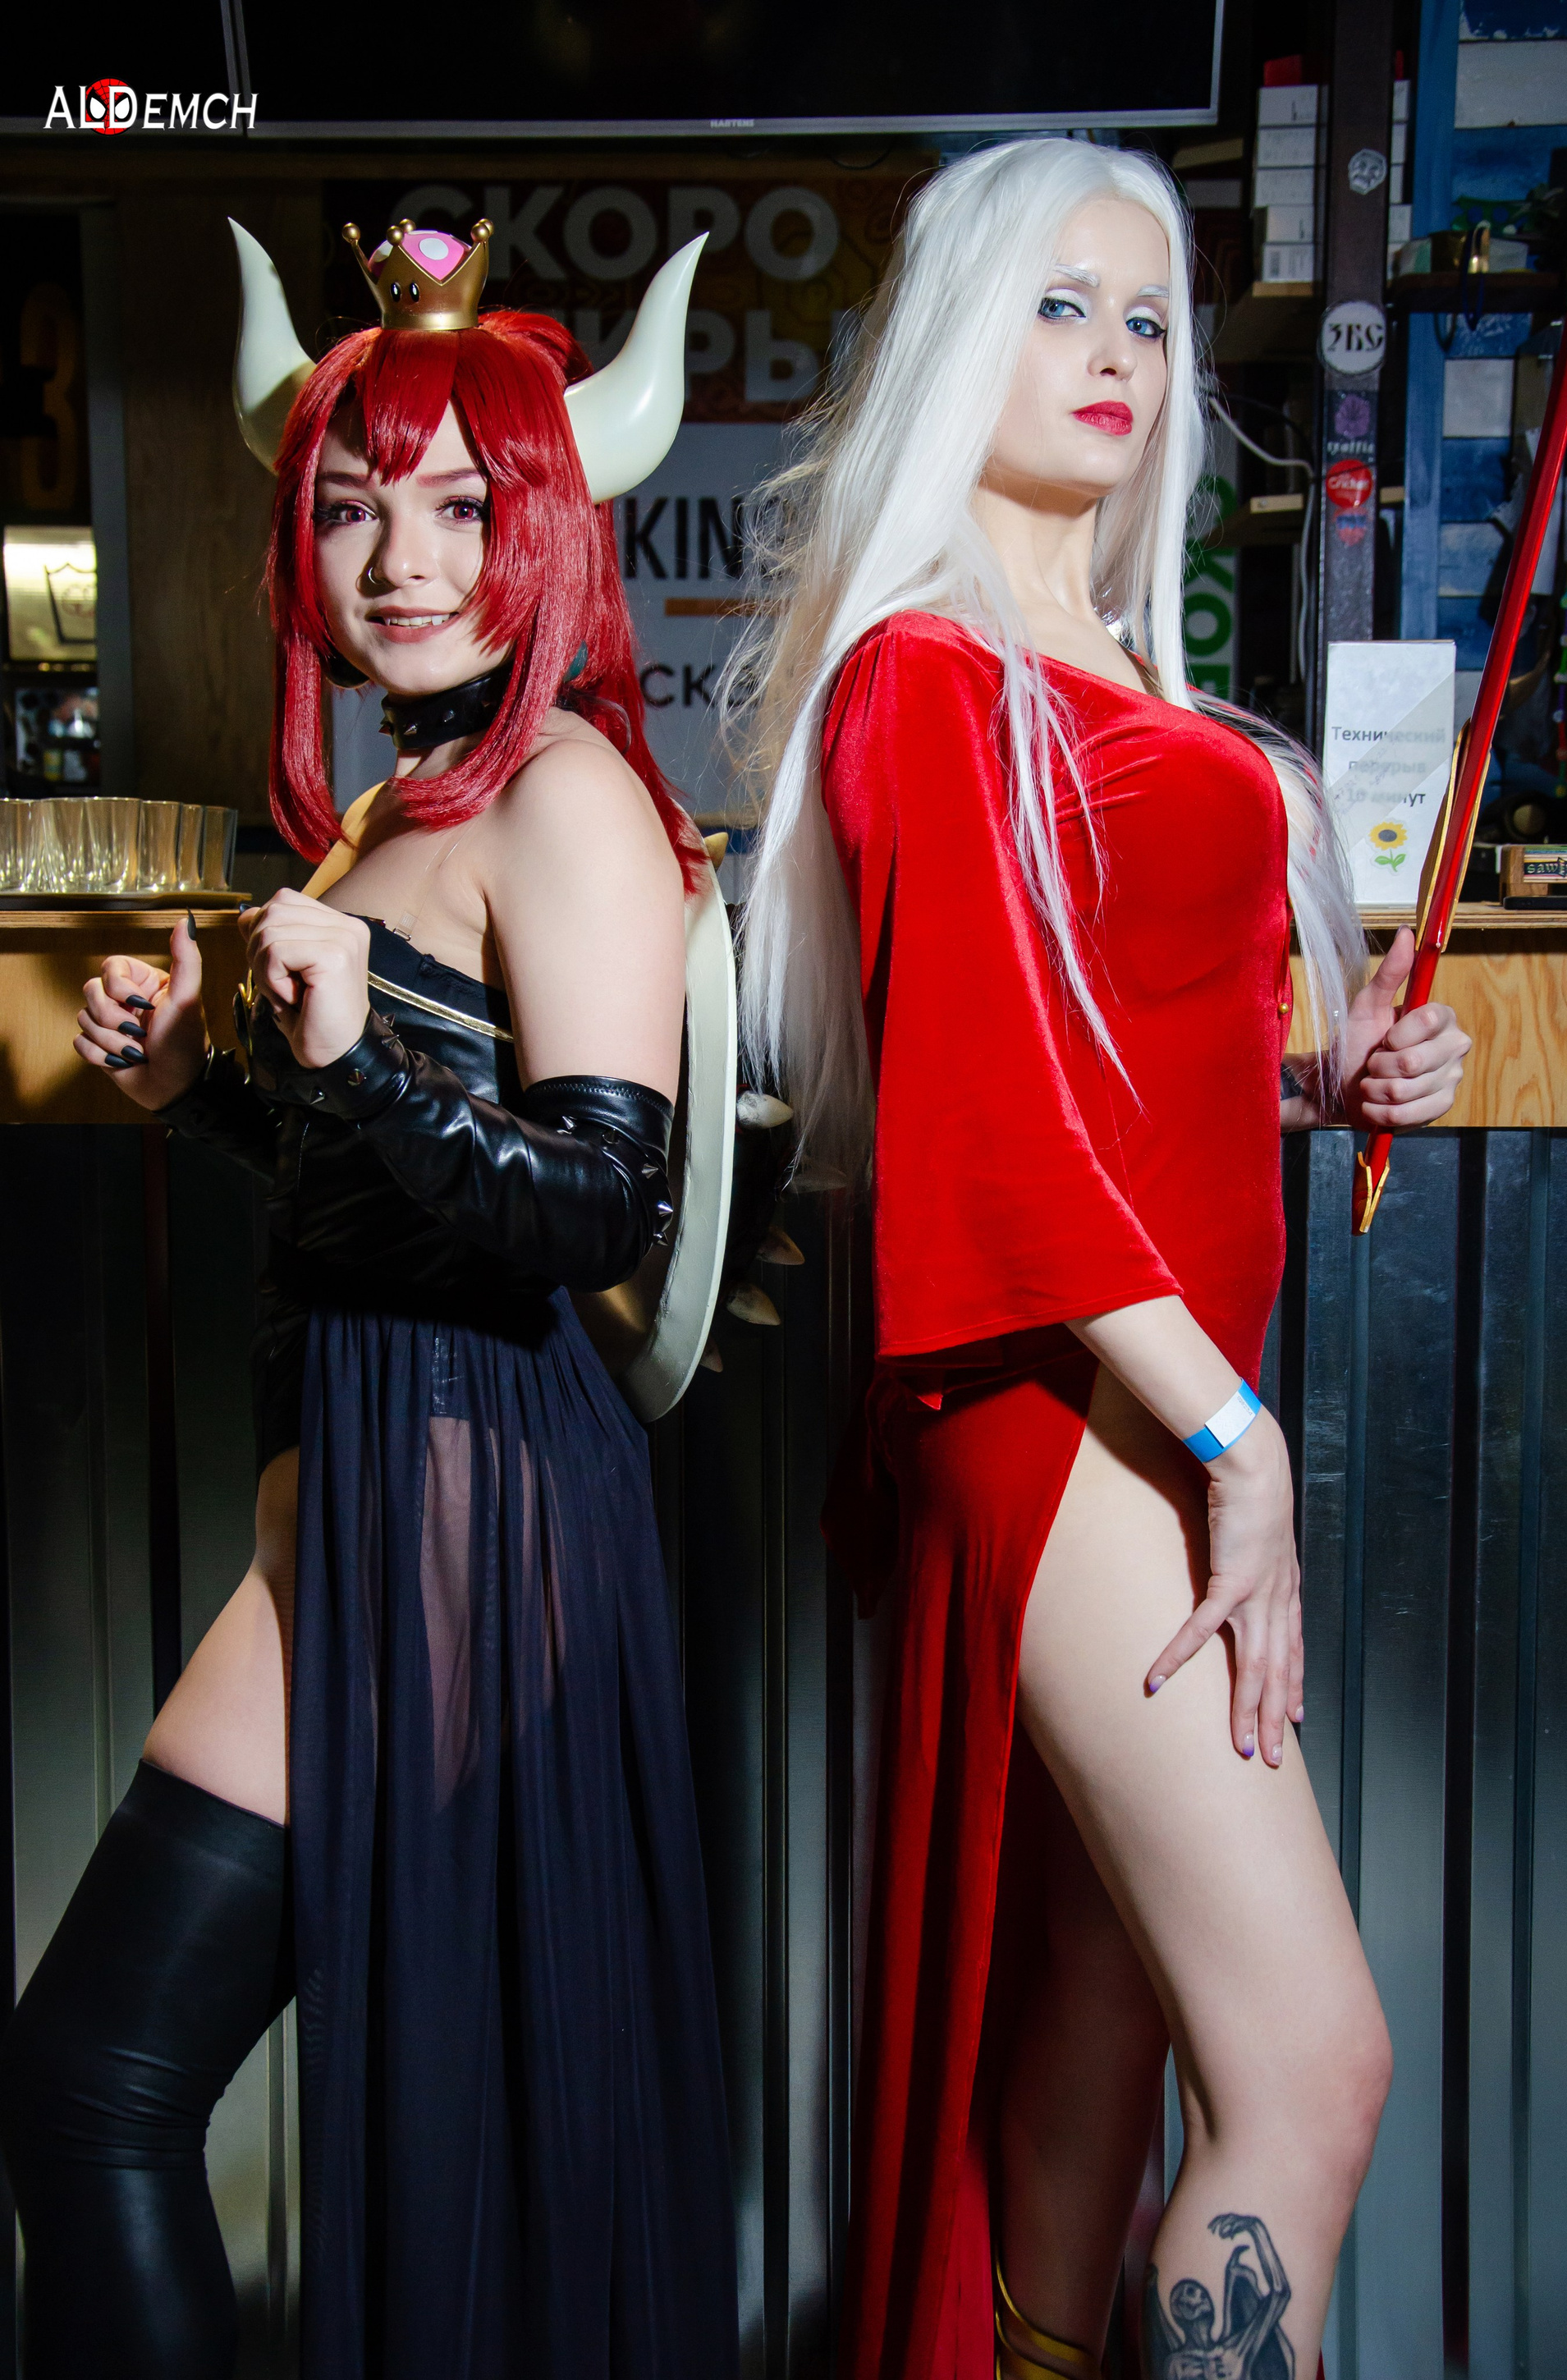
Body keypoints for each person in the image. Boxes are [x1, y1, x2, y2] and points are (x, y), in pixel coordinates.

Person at [728, 139, 1471, 2380]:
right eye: (1061, 303)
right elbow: (992, 1124)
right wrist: (1239, 1440)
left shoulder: (1123, 680)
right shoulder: (926, 673)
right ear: (964, 335)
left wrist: (1317, 1080)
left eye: (1151, 316)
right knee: (1314, 2074)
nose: (1118, 352)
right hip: (1073, 1418)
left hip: (1158, 1393)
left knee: (1082, 2063)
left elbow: (1113, 1057)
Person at [0, 218, 740, 2380]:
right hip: (370, 1495)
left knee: (106, 2087)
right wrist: (209, 1092)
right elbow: (390, 1190)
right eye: (348, 505)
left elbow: (599, 1204)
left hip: (464, 1506)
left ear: (551, 531)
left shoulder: (569, 796)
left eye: (460, 505)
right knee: (141, 2095)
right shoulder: (410, 797)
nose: (399, 558)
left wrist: (343, 1070)